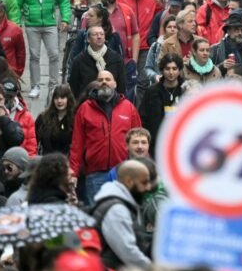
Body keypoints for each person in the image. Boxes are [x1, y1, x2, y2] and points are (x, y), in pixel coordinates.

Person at [69, 72, 142, 204]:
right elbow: (77, 144)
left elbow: (139, 140)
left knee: (121, 212)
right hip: (95, 174)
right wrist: (73, 173)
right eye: (100, 79)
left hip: (123, 173)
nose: (104, 82)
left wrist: (140, 167)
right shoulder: (85, 109)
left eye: (108, 79)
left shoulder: (128, 108)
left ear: (115, 84)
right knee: (97, 214)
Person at [15, 0, 72, 99]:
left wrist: (65, 19)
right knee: (34, 55)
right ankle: (35, 85)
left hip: (50, 23)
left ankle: (53, 86)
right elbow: (16, 5)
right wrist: (16, 24)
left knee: (54, 54)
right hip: (31, 24)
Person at [90, 159, 152, 269]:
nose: (148, 187)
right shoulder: (117, 210)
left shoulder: (122, 204)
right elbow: (128, 252)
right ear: (129, 181)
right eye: (144, 183)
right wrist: (153, 270)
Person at [68, 25, 127, 99]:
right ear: (88, 39)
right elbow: (74, 87)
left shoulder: (116, 59)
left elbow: (122, 87)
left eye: (102, 34)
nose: (99, 37)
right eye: (95, 34)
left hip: (112, 103)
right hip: (87, 104)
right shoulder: (79, 60)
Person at [139, 53, 184, 139]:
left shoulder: (186, 90)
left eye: (174, 69)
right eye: (167, 69)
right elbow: (143, 118)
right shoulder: (152, 91)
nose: (171, 72)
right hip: (156, 141)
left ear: (179, 70)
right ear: (162, 70)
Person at [35, 85, 76, 157]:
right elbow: (34, 139)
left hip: (66, 161)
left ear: (68, 99)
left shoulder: (75, 119)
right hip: (46, 159)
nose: (59, 101)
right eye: (56, 98)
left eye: (62, 98)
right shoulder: (43, 118)